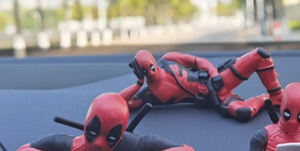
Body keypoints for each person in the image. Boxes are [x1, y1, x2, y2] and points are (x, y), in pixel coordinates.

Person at [15, 93, 196, 151]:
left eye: (111, 137)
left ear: (121, 134)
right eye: (93, 132)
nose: (99, 144)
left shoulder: (135, 145)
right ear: (87, 123)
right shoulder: (65, 144)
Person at [119, 48, 283, 121]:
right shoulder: (150, 94)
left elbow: (198, 62)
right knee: (244, 113)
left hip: (218, 80)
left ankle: (277, 95)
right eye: (145, 71)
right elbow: (123, 102)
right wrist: (139, 82)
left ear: (154, 61)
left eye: (151, 67)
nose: (151, 72)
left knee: (260, 55)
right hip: (215, 99)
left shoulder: (168, 60)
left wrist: (214, 74)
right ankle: (264, 99)